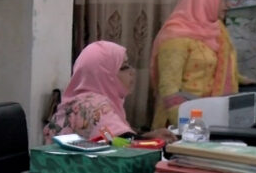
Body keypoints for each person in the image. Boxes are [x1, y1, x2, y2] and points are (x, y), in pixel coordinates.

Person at [149, 0, 247, 129]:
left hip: (213, 121)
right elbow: (169, 88)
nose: (229, 4)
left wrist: (243, 80)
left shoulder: (217, 29)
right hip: (180, 126)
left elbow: (221, 66)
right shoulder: (176, 35)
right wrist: (189, 128)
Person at [44, 41, 176, 145]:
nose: (132, 72)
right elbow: (120, 142)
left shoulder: (79, 101)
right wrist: (153, 142)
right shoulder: (94, 105)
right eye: (124, 67)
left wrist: (148, 137)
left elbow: (111, 138)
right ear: (103, 75)